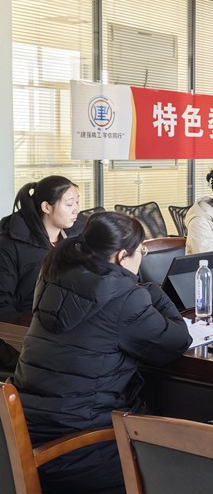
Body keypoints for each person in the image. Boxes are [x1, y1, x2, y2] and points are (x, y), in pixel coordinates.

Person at [12, 211, 192, 493]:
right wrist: (154, 291)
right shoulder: (125, 297)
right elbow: (177, 340)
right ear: (122, 256)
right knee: (182, 460)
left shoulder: (51, 276)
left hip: (26, 431)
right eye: (141, 251)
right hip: (81, 449)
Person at [0, 176, 80, 322]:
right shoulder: (10, 245)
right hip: (28, 330)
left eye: (77, 202)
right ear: (46, 207)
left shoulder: (76, 240)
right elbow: (2, 304)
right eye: (69, 204)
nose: (76, 210)